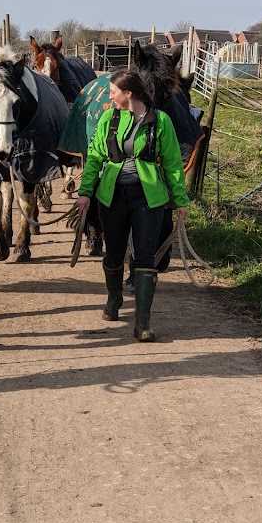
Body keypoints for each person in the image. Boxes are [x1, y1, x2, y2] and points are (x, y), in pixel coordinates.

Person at [75, 69, 189, 342]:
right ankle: (114, 298)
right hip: (112, 195)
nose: (110, 96)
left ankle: (143, 322)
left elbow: (173, 163)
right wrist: (85, 192)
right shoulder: (108, 119)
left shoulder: (160, 121)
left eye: (113, 91)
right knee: (113, 254)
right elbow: (94, 158)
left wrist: (180, 200)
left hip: (148, 197)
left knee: (145, 257)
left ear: (129, 93)